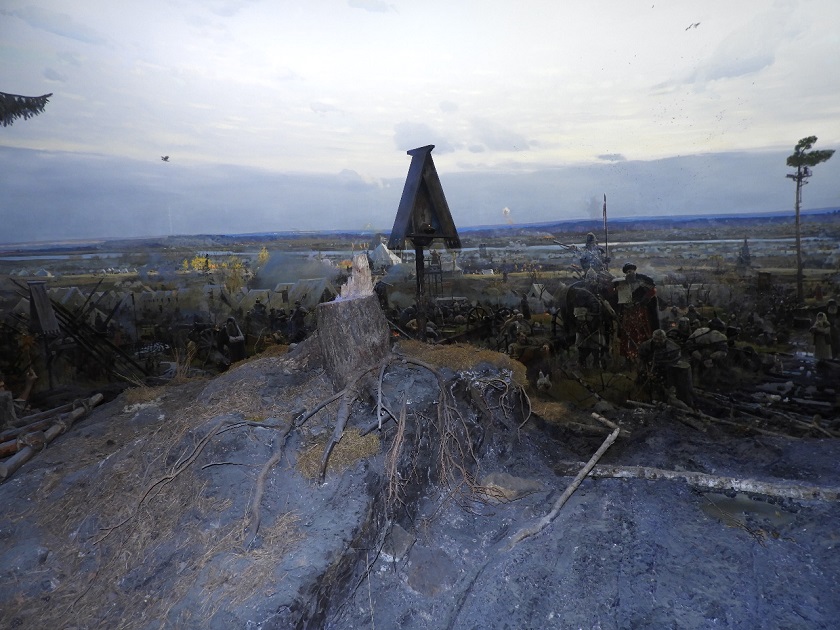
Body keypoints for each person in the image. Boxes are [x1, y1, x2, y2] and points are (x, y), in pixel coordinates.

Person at [610, 262, 658, 362]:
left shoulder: (643, 280)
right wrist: (617, 290)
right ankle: (628, 355)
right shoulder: (622, 282)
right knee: (627, 331)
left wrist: (643, 301)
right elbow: (616, 295)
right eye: (627, 272)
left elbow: (652, 291)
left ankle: (644, 353)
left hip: (641, 310)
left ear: (634, 270)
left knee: (643, 330)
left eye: (630, 271)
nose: (629, 273)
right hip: (627, 311)